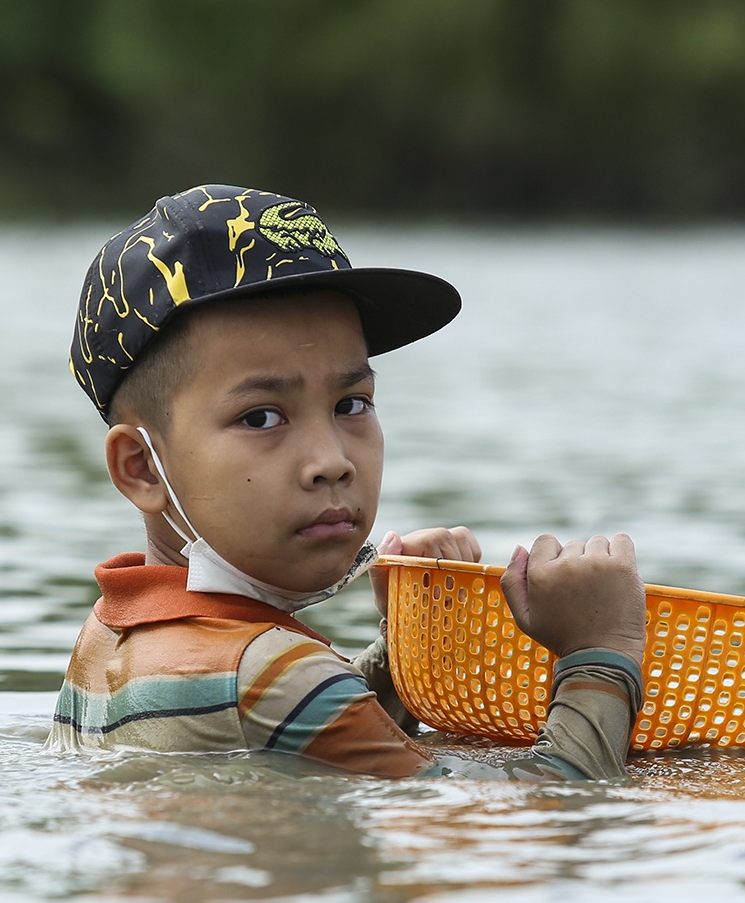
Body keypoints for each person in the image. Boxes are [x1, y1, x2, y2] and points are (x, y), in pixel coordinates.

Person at [47, 185, 647, 780]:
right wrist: (601, 651)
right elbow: (546, 811)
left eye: (352, 404)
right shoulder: (273, 673)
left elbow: (288, 737)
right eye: (261, 417)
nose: (331, 461)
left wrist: (403, 650)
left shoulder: (113, 633)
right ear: (142, 467)